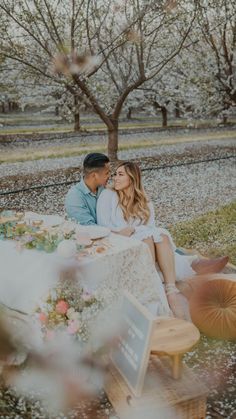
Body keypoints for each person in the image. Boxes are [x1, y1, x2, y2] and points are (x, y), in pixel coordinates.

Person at [96, 161, 228, 319]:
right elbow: (103, 226)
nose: (115, 178)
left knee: (161, 235)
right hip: (120, 241)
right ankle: (155, 287)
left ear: (132, 178)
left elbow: (151, 228)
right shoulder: (107, 195)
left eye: (120, 174)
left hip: (143, 240)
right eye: (115, 174)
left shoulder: (145, 203)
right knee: (147, 239)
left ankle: (171, 290)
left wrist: (134, 230)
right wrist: (124, 232)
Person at [65, 153, 110, 225]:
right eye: (107, 173)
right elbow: (88, 227)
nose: (109, 176)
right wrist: (117, 233)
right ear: (94, 175)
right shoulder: (74, 196)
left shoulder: (104, 189)